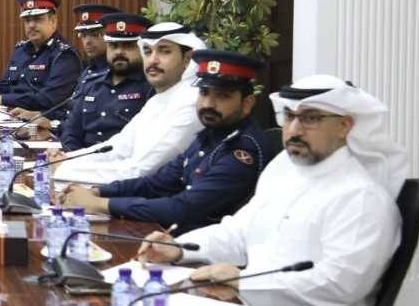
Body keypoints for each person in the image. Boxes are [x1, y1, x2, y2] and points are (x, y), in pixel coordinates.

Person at [138, 76, 407, 306]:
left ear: (345, 126)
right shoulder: (285, 171)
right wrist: (179, 248)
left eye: (310, 118)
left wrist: (242, 280)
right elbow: (239, 232)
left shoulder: (361, 198)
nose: (294, 129)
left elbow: (337, 285)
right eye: (289, 116)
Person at [62, 50, 271, 232]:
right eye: (204, 93)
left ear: (247, 103)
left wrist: (100, 204)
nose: (209, 104)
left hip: (203, 254)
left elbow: (183, 208)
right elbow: (155, 183)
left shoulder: (242, 150)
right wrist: (97, 191)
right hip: (169, 240)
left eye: (223, 96)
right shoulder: (211, 134)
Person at [51, 21, 204, 183]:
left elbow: (141, 170)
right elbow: (117, 148)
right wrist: (66, 159)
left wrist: (64, 168)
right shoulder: (159, 100)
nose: (153, 60)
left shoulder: (191, 102)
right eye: (147, 51)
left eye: (164, 51)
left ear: (187, 59)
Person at [0, 0, 81, 120]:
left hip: (42, 123)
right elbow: (5, 84)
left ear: (53, 21)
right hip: (10, 118)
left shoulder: (64, 55)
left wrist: (3, 99)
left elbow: (48, 99)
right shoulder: (20, 50)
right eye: (27, 20)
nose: (31, 25)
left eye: (38, 19)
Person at [58, 13, 153, 151]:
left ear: (143, 50)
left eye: (128, 46)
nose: (119, 52)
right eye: (113, 46)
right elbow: (71, 132)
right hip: (82, 159)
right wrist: (73, 158)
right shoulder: (92, 84)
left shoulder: (150, 88)